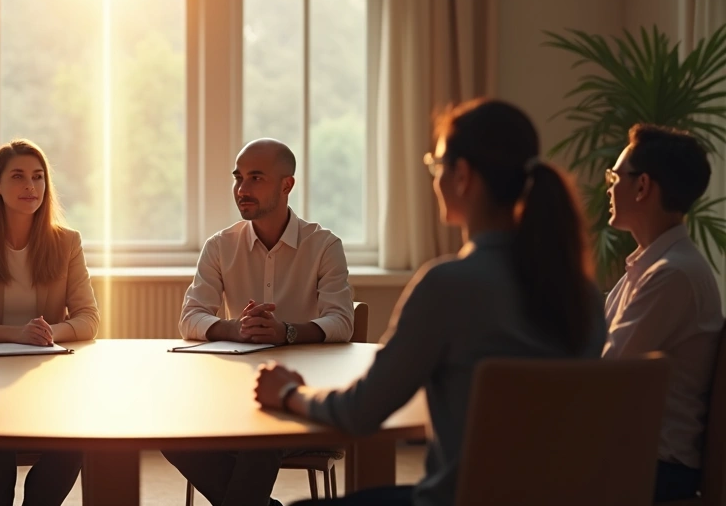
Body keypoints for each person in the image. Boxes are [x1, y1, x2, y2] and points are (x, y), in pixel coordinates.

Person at [255, 99, 607, 506]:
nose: (434, 178)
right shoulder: (582, 294)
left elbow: (361, 412)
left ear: (462, 176)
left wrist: (290, 393)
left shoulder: (448, 286)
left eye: (436, 166)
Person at [164, 138, 355, 506]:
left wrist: (288, 333)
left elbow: (342, 322)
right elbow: (190, 318)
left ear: (287, 185)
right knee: (168, 431)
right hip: (233, 399)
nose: (242, 189)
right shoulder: (220, 246)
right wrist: (233, 328)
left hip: (306, 400)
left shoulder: (324, 246)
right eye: (238, 178)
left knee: (261, 438)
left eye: (255, 178)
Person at [0, 139, 98, 506]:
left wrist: (48, 333)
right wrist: (18, 334)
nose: (31, 186)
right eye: (18, 176)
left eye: (38, 177)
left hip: (46, 385)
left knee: (77, 441)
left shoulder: (66, 243)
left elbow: (89, 318)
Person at [601, 124, 723, 502]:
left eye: (614, 176)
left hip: (655, 470)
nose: (608, 187)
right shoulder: (652, 267)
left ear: (642, 187)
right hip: (637, 459)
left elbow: (606, 373)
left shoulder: (672, 275)